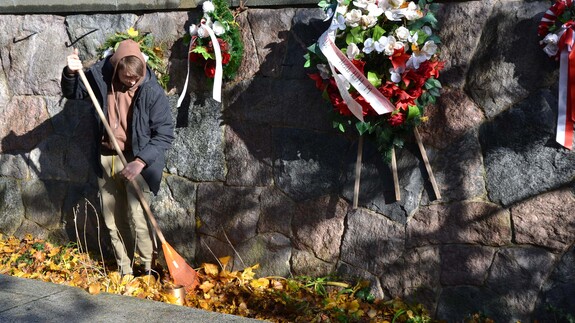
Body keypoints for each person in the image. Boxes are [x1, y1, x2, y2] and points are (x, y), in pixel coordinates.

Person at [61, 39, 175, 276]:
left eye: (137, 78)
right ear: (116, 69)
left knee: (139, 217)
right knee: (113, 220)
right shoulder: (101, 78)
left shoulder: (152, 91)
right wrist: (71, 73)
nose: (133, 82)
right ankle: (125, 270)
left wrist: (140, 162)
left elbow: (164, 134)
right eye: (127, 78)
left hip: (137, 160)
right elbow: (74, 92)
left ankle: (147, 269)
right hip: (106, 157)